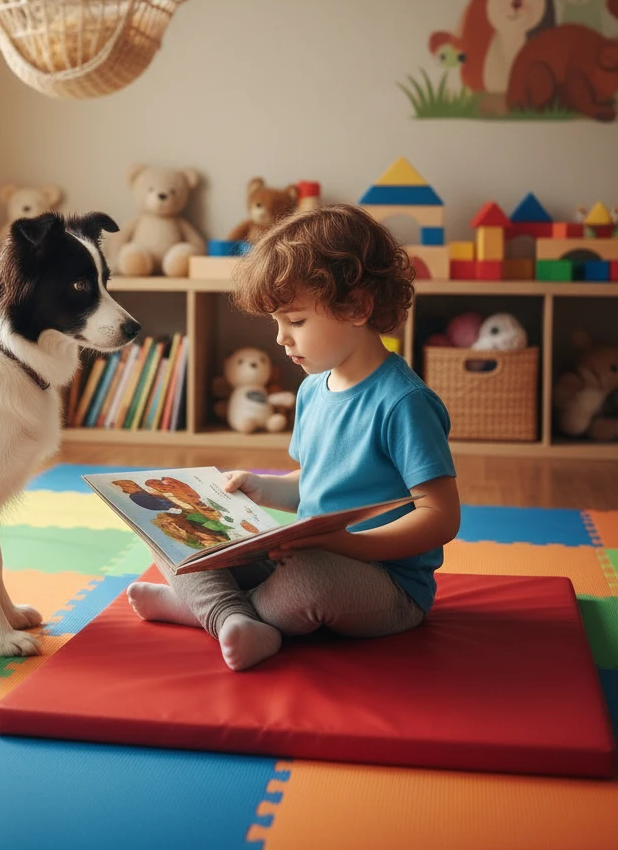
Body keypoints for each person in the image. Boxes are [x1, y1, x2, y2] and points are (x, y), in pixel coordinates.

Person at [127, 204, 461, 671]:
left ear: (358, 307)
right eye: (277, 323)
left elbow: (440, 517)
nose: (282, 339)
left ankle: (208, 610)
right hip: (303, 556)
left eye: (296, 321)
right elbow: (314, 482)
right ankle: (231, 617)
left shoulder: (404, 402)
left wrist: (351, 546)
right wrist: (259, 488)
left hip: (383, 584)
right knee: (168, 526)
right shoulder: (312, 389)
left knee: (309, 579)